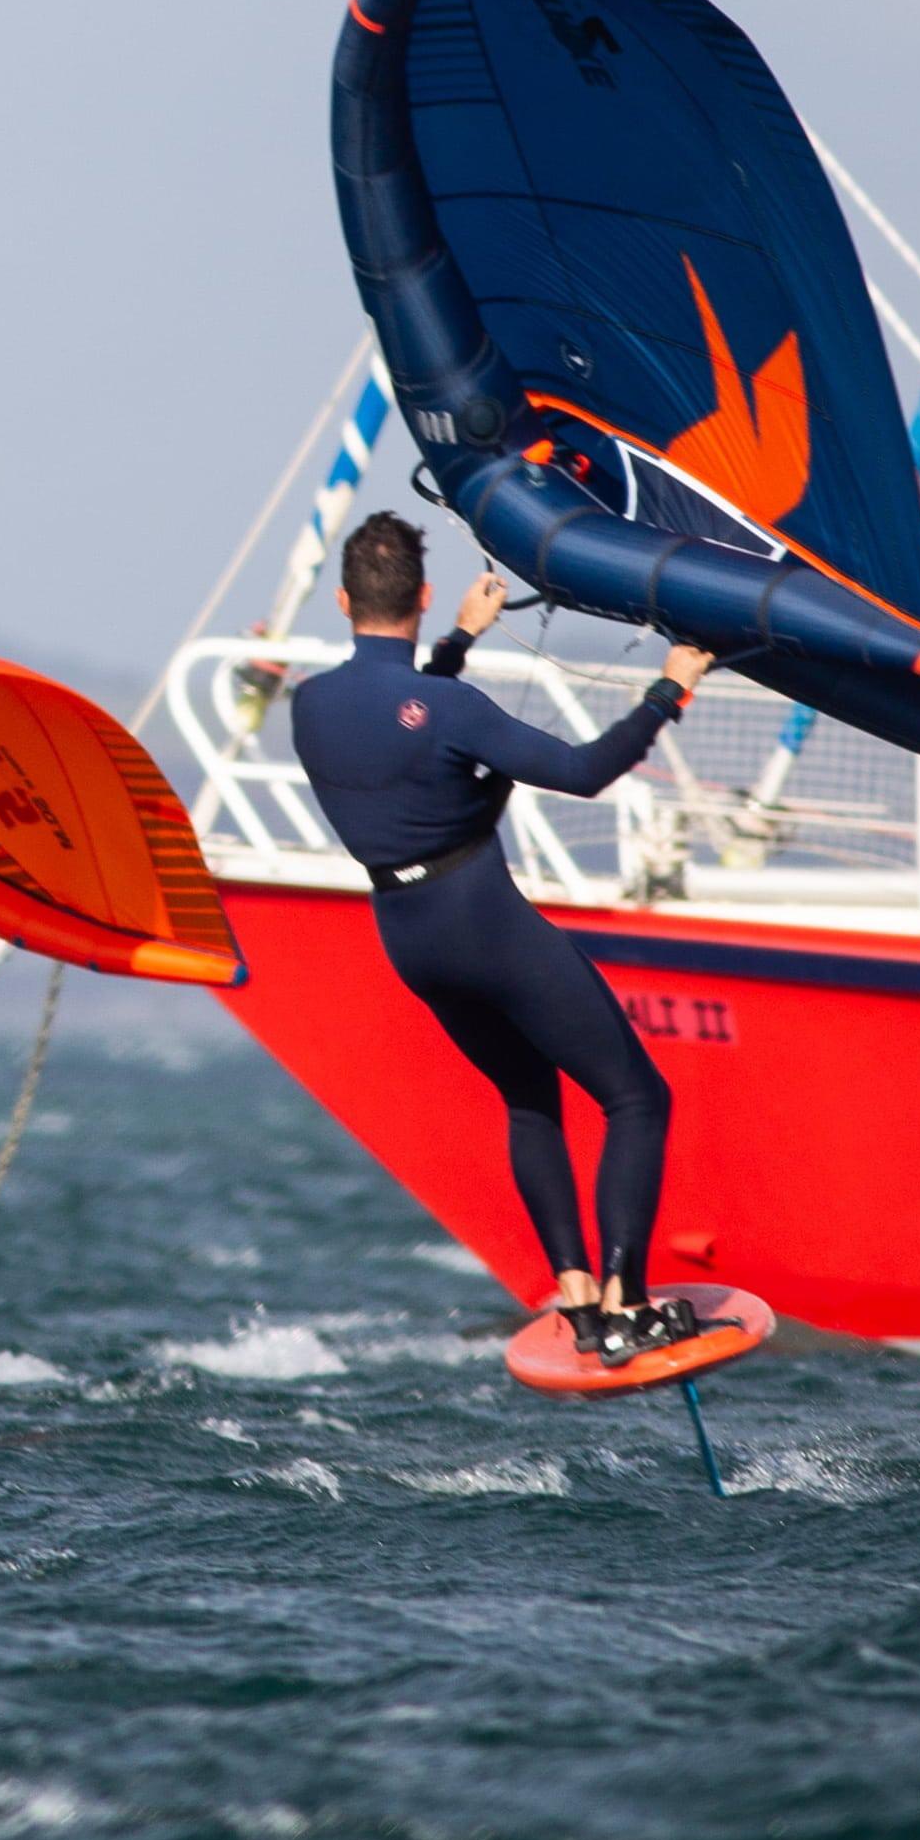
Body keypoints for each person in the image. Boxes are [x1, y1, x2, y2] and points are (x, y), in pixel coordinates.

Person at [287, 511, 714, 1363]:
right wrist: (670, 685)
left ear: (341, 599)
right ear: (422, 594)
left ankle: (578, 1296)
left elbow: (396, 718)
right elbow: (585, 771)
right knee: (636, 1098)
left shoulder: (311, 704)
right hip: (483, 923)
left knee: (528, 1098)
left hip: (409, 939)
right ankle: (628, 1300)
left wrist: (456, 642)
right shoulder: (449, 707)